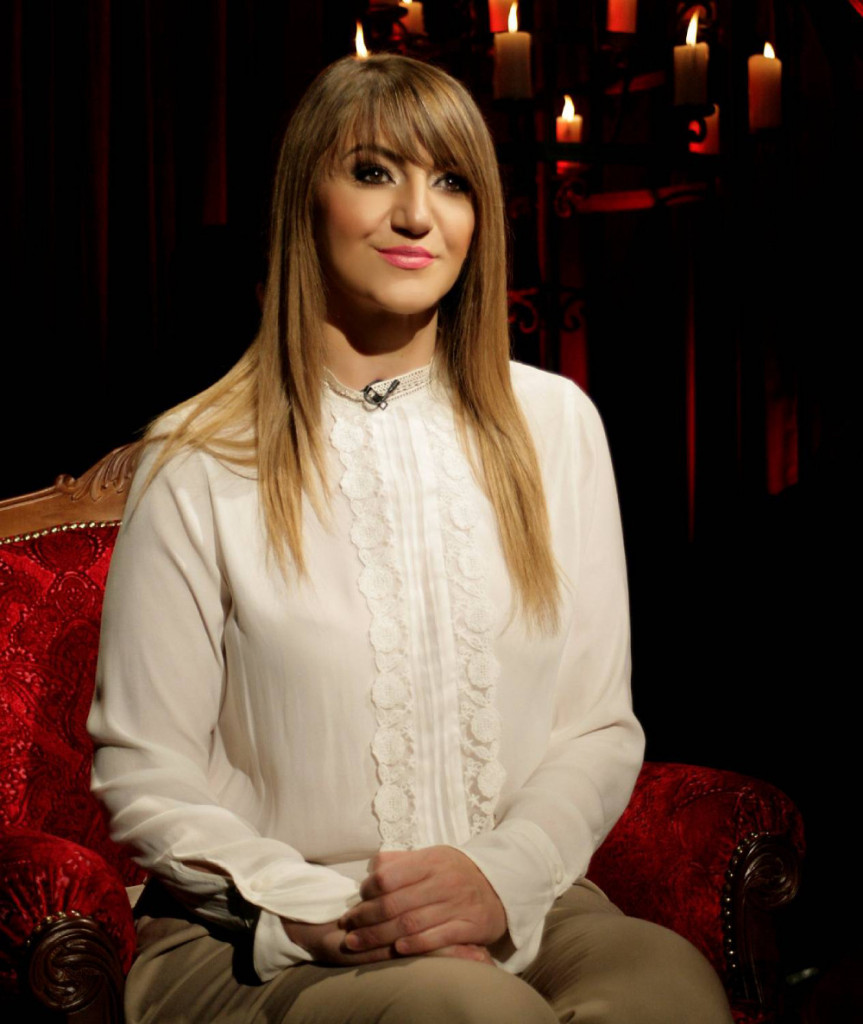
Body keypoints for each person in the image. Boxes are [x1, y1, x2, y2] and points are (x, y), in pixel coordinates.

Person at [88, 53, 733, 1023]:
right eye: (372, 172)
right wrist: (327, 913)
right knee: (468, 1012)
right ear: (303, 202)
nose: (416, 216)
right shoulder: (201, 454)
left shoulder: (555, 426)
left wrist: (498, 875)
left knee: (667, 986)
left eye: (452, 181)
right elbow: (144, 769)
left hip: (517, 905)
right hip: (262, 930)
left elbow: (596, 727)